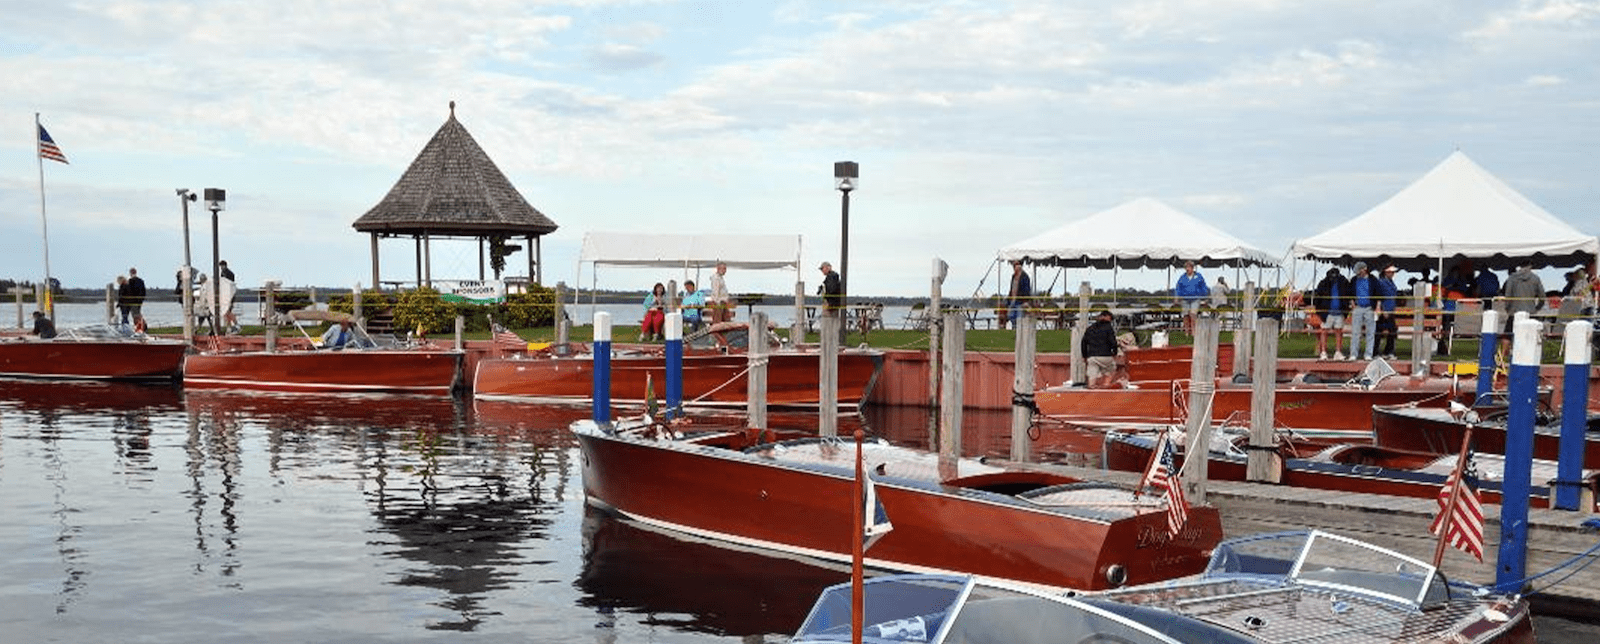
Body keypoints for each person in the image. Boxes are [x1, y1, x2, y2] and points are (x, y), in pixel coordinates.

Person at [1502, 261, 1545, 347]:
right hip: (1530, 312)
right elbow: (1542, 296)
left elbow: (1508, 295)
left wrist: (1507, 308)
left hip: (1514, 312)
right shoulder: (1535, 278)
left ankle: (1503, 356)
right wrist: (1537, 308)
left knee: (1507, 335)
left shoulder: (1512, 277)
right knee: (1530, 336)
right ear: (1530, 266)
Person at [1311, 267, 1350, 360]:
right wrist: (1319, 312)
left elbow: (1347, 296)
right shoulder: (1323, 283)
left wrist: (1346, 311)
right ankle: (1323, 352)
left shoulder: (1343, 283)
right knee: (1324, 332)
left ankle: (1338, 352)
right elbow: (1317, 298)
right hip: (1326, 313)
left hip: (1340, 312)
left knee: (1339, 332)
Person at [1346, 262, 1381, 361]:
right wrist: (1352, 304)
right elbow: (1350, 293)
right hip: (1358, 307)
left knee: (1370, 332)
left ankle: (1368, 354)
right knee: (1355, 332)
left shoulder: (1373, 280)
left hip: (1370, 308)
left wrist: (1377, 308)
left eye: (1360, 271)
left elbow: (1378, 294)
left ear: (1364, 269)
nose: (1358, 274)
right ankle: (1353, 354)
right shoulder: (1354, 280)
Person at [1081, 308, 1119, 388]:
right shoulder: (1108, 328)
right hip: (1106, 355)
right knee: (1111, 370)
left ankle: (1092, 385)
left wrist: (1084, 356)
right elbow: (1113, 342)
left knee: (1092, 373)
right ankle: (1106, 385)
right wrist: (1115, 352)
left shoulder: (1090, 328)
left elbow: (1084, 343)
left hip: (1092, 356)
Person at [1174, 260, 1210, 335]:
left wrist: (1205, 297)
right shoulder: (1182, 277)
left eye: (1189, 267)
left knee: (1193, 315)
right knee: (1185, 315)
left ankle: (1194, 332)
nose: (1187, 269)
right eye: (1186, 267)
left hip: (1195, 299)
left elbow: (1204, 287)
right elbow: (1178, 287)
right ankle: (1187, 332)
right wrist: (1177, 297)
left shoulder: (1199, 276)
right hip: (1185, 299)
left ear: (1192, 268)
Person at [1374, 265, 1401, 360]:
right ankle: (1377, 352)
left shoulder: (1390, 282)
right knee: (1379, 332)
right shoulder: (1382, 282)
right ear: (1386, 272)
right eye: (1391, 272)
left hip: (1390, 309)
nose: (1393, 274)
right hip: (1384, 310)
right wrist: (1382, 309)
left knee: (1392, 331)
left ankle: (1387, 351)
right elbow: (1379, 296)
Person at [1002, 260, 1031, 330]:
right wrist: (1008, 299)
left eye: (1016, 265)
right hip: (1012, 300)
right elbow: (1011, 288)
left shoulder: (1025, 277)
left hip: (1020, 301)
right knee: (1011, 316)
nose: (1014, 267)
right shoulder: (1013, 277)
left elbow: (1027, 290)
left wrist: (1025, 301)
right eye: (1014, 266)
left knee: (1019, 317)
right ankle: (1014, 329)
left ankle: (1018, 331)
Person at [218, 260, 239, 334]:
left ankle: (234, 325)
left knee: (228, 311)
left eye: (222, 266)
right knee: (226, 312)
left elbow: (229, 283)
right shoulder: (222, 273)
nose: (221, 267)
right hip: (225, 295)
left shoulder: (229, 273)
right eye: (220, 266)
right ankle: (230, 326)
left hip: (229, 295)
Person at [125, 267, 148, 333]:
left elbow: (129, 292)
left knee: (135, 315)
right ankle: (143, 326)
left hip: (133, 301)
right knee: (138, 314)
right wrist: (141, 299)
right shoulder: (140, 281)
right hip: (139, 301)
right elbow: (143, 292)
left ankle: (140, 328)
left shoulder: (130, 281)